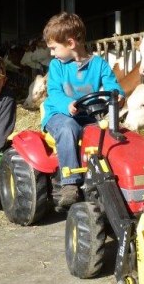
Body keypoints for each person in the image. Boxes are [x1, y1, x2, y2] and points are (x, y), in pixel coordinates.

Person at [41, 12, 124, 212]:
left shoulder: (99, 64)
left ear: (70, 43)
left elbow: (113, 86)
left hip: (89, 116)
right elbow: (53, 92)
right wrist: (67, 104)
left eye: (53, 48)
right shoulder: (57, 66)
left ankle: (114, 179)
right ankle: (69, 182)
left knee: (111, 134)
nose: (52, 53)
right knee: (69, 128)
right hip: (59, 115)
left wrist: (118, 96)